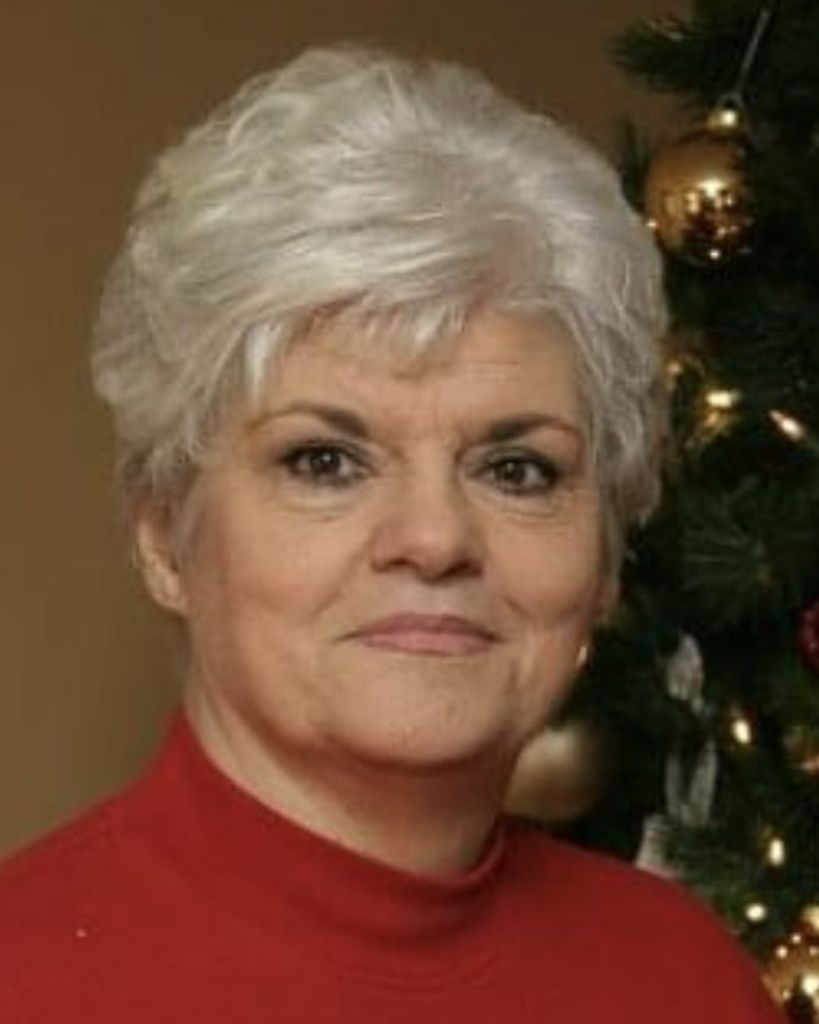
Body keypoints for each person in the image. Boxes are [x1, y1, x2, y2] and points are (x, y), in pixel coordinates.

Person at [0, 44, 784, 1022]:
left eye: (516, 469)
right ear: (164, 536)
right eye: (325, 461)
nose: (434, 537)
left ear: (606, 554)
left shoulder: (684, 981)